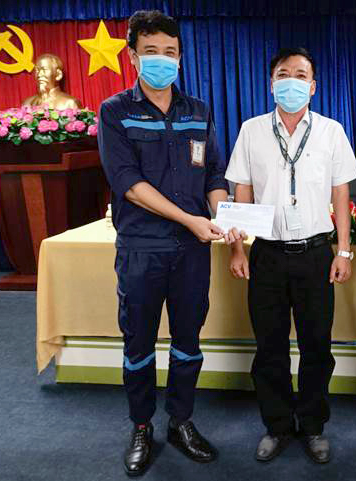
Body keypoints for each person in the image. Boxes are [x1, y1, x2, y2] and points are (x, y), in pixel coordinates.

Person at [98, 10, 240, 477]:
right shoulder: (115, 111)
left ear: (180, 57)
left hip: (192, 251)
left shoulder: (197, 110)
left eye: (170, 52)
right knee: (138, 341)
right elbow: (127, 183)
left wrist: (223, 215)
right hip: (142, 248)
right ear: (132, 55)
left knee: (188, 341)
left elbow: (214, 174)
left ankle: (181, 421)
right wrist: (191, 219)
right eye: (151, 51)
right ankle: (141, 426)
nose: (162, 59)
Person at [226, 47, 356, 464]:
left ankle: (314, 425)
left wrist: (344, 251)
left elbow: (341, 194)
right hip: (266, 255)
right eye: (283, 74)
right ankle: (278, 425)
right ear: (272, 83)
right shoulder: (251, 130)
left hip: (316, 255)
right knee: (269, 347)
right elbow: (242, 190)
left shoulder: (331, 131)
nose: (292, 81)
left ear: (313, 86)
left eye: (300, 75)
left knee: (316, 345)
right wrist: (237, 248)